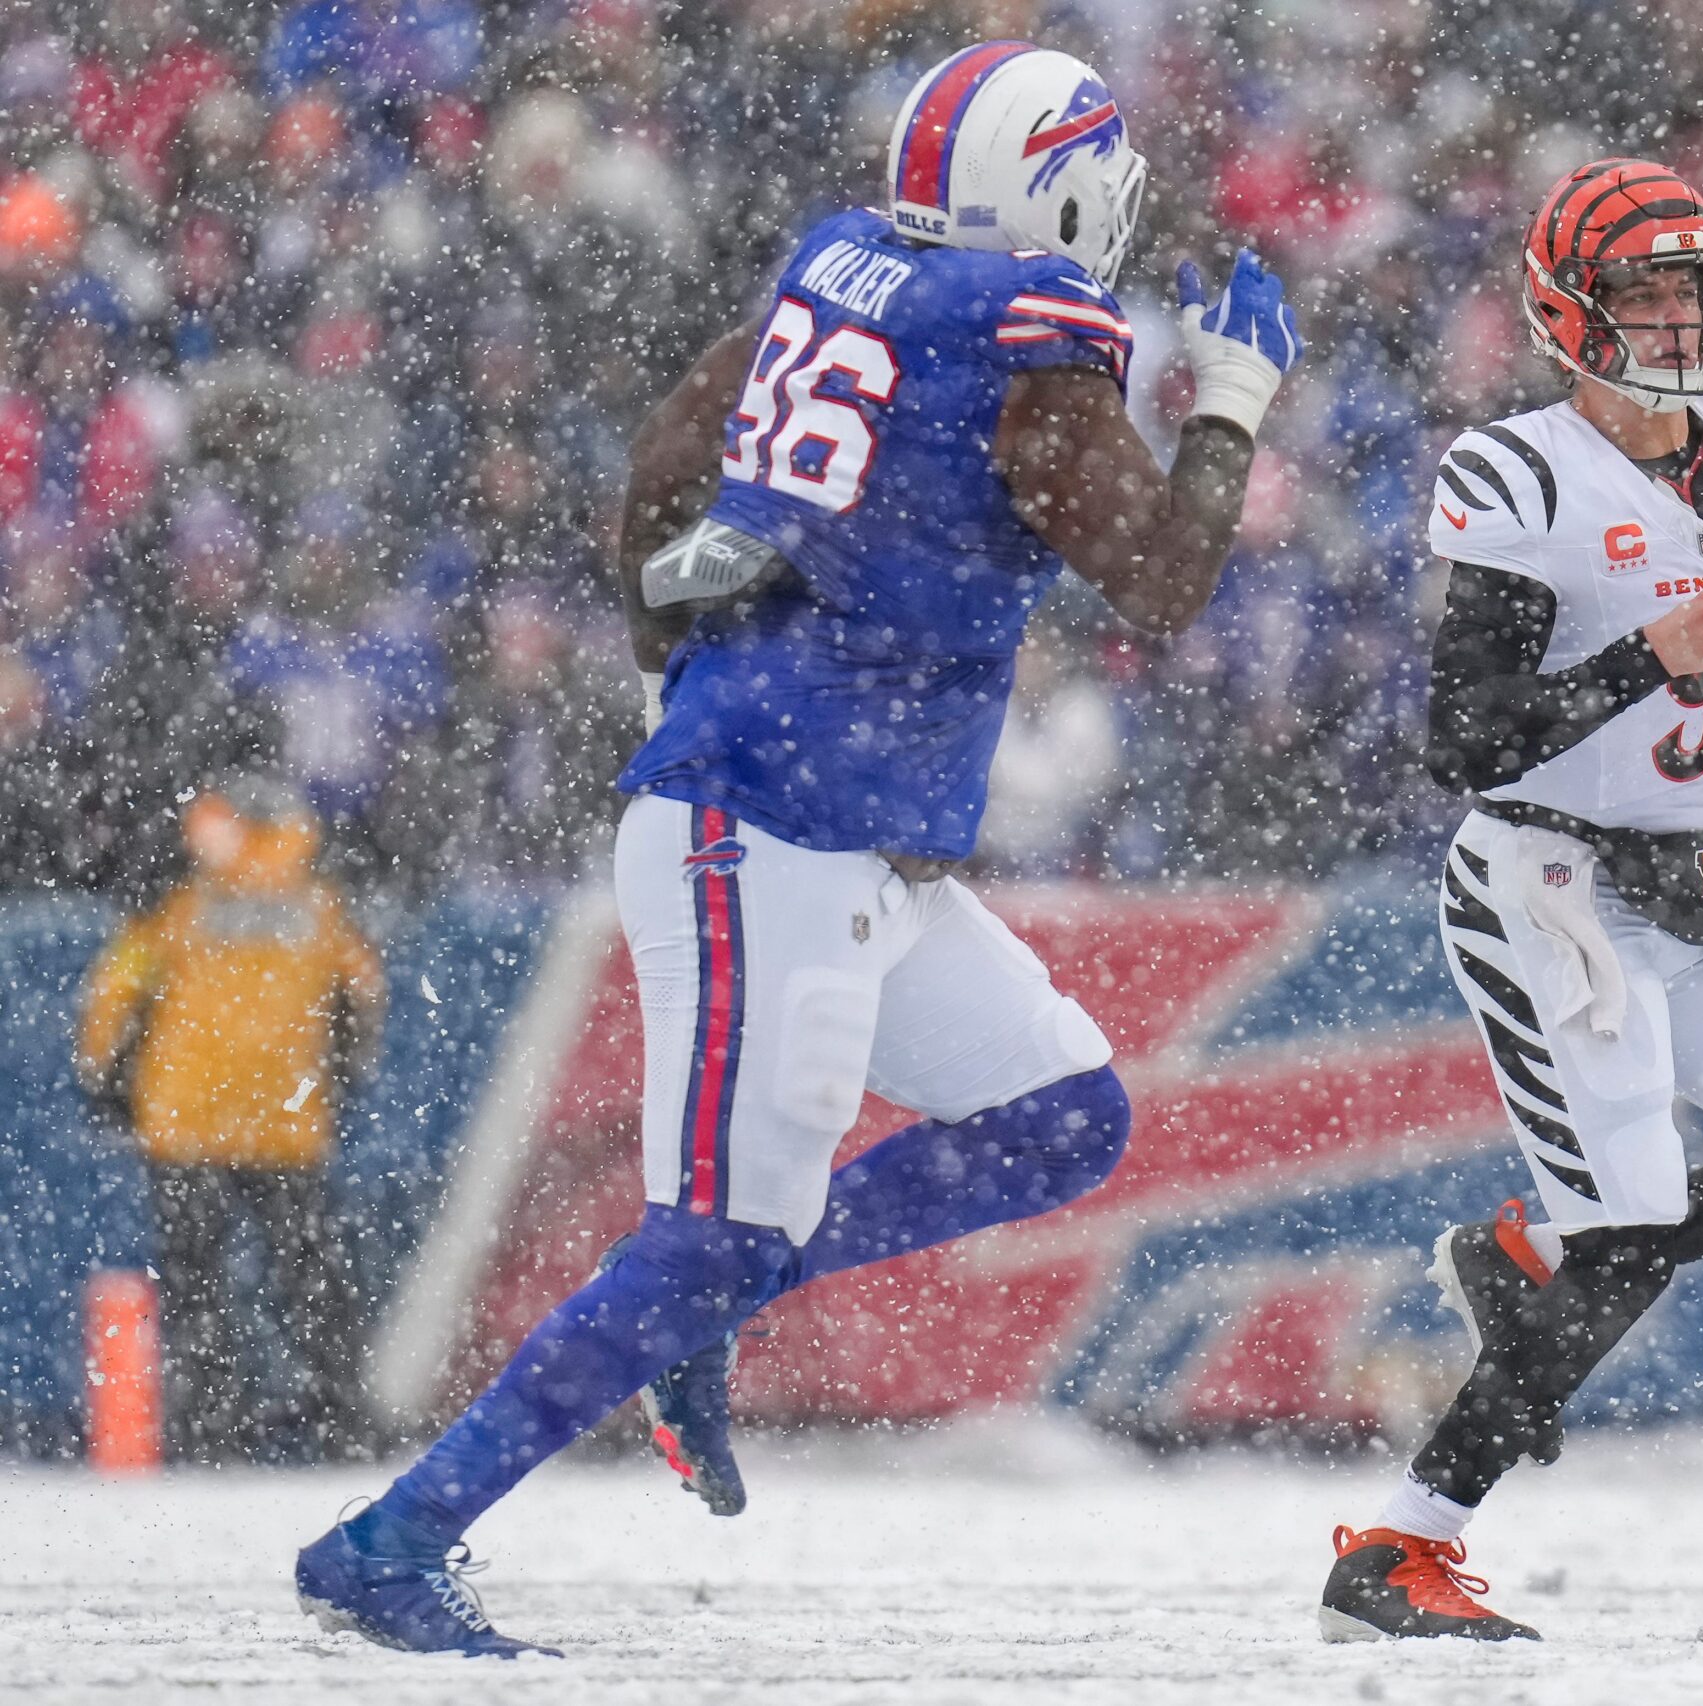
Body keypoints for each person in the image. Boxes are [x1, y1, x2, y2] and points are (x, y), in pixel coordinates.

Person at [295, 41, 1300, 1656]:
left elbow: (660, 468)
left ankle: (713, 1302)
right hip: (772, 831)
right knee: (706, 1238)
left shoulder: (842, 271)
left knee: (1061, 1117)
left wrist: (670, 672)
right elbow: (1167, 581)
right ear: (1053, 193)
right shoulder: (1028, 341)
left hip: (836, 828)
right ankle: (392, 1538)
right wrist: (1233, 407)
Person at [1319, 159, 1703, 1643]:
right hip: (1548, 882)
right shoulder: (1522, 474)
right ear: (1567, 311)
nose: (1674, 321)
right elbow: (1463, 741)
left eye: (1692, 290)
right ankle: (1398, 1550)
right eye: (1641, 293)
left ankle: (1534, 1254)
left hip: (1693, 867)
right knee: (1631, 1229)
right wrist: (1652, 652)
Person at [74, 776, 386, 1462]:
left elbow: (116, 990)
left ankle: (212, 1422)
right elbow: (362, 997)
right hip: (286, 1121)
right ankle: (342, 1417)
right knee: (312, 1276)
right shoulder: (319, 904)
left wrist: (106, 1079)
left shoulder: (176, 902)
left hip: (184, 1116)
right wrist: (338, 1077)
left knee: (197, 1281)